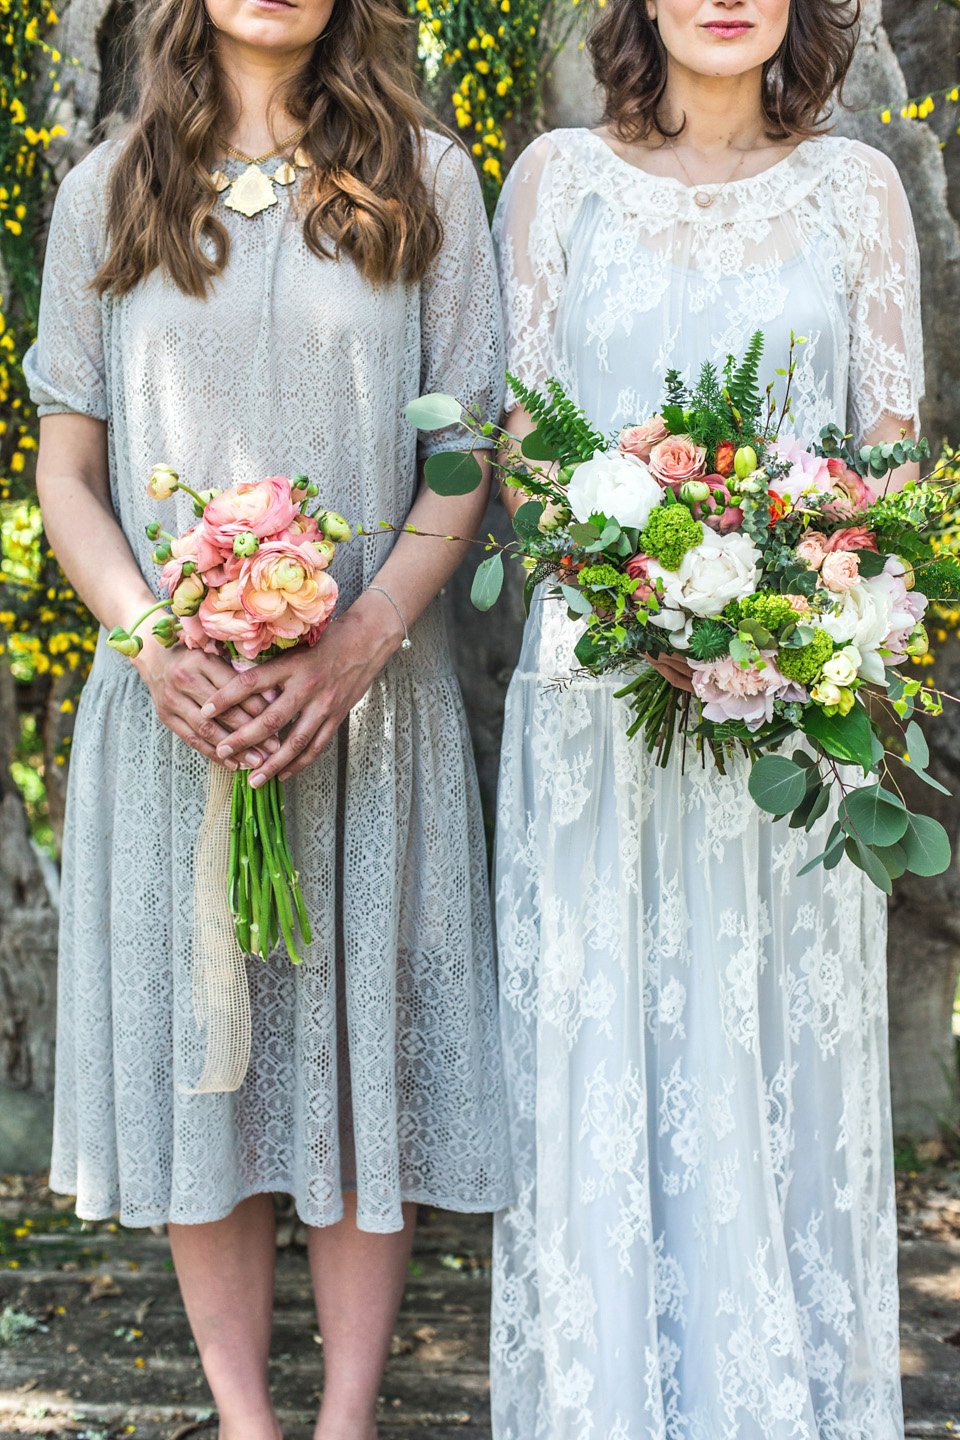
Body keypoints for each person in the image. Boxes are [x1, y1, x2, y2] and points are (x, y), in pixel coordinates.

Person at [24, 0, 513, 1435]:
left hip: (364, 705)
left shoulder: (430, 177)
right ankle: (243, 1418)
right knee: (208, 1070)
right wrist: (158, 641)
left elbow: (464, 445)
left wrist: (361, 641)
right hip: (177, 715)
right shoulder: (104, 193)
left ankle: (348, 1415)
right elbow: (69, 468)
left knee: (361, 1060)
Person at [490, 1, 921, 1436]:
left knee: (775, 1061)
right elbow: (522, 454)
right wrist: (642, 587)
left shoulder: (859, 191)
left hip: (784, 715)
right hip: (597, 713)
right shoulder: (558, 177)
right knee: (606, 1056)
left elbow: (892, 468)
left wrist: (792, 602)